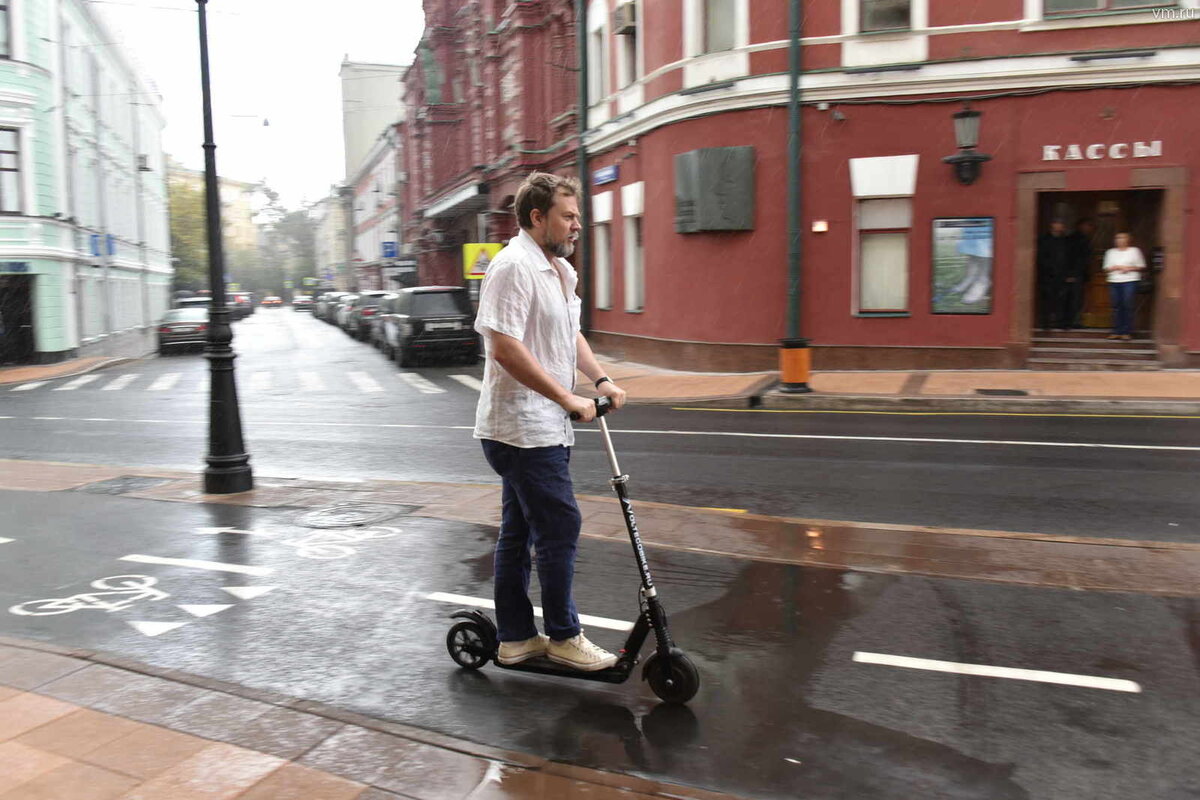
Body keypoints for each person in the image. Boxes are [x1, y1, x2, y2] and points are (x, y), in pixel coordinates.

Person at [473, 171, 629, 671]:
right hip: (520, 428)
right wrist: (566, 397)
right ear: (537, 217)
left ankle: (516, 638)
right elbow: (504, 348)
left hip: (544, 425)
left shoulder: (559, 270)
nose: (577, 225)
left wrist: (600, 380)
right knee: (561, 523)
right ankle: (563, 635)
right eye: (568, 216)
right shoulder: (512, 267)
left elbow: (570, 334)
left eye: (578, 216)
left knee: (519, 531)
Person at [1102, 232, 1145, 340]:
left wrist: (1128, 268)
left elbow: (1141, 266)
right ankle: (1116, 331)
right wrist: (1114, 267)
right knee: (1116, 306)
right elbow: (1106, 267)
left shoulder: (1134, 251)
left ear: (1128, 240)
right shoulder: (1110, 252)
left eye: (1122, 238)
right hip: (1114, 280)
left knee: (1127, 304)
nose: (1119, 240)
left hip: (1129, 280)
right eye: (1117, 238)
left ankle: (1126, 331)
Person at [1036, 220, 1073, 330]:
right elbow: (1041, 257)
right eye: (1057, 224)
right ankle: (1046, 324)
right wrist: (1048, 269)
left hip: (1063, 276)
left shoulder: (1067, 241)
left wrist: (1070, 274)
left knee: (1063, 300)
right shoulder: (1044, 240)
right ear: (1052, 225)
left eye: (1061, 224)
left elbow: (1071, 258)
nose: (1060, 226)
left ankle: (1063, 323)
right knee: (1047, 300)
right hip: (1047, 276)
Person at [1067, 218, 1095, 328]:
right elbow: (1070, 258)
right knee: (1074, 298)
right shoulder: (1073, 239)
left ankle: (1076, 320)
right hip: (1074, 274)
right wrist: (1070, 274)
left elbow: (1086, 259)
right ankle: (1072, 321)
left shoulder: (1086, 239)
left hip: (1081, 274)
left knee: (1079, 298)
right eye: (1088, 225)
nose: (1089, 228)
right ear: (1080, 226)